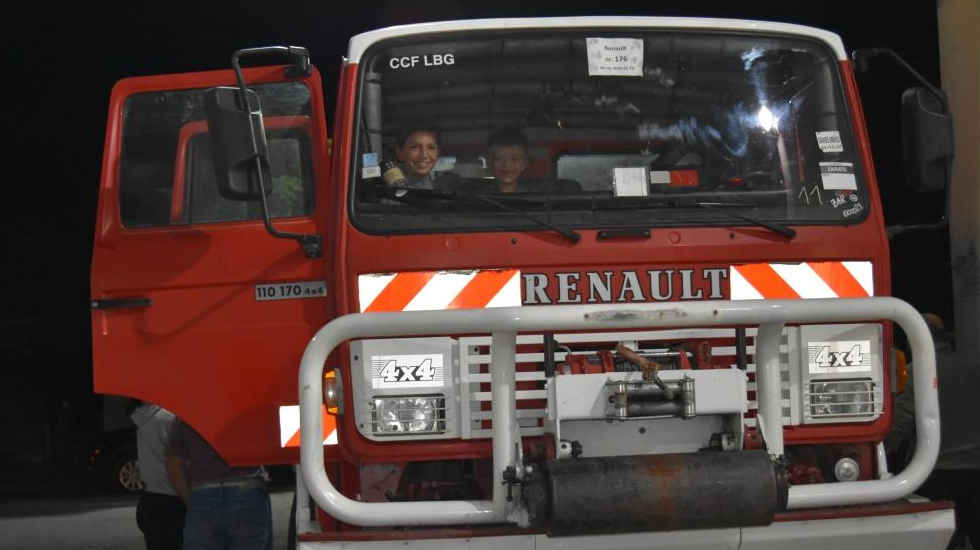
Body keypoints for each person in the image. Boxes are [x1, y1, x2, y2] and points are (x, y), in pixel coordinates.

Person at [167, 417, 272, 550]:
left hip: (202, 496)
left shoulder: (186, 415)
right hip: (248, 490)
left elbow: (174, 465)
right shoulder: (247, 407)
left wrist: (191, 500)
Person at [131, 400, 185, 550]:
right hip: (173, 497)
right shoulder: (171, 419)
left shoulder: (140, 419)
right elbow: (179, 462)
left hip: (149, 498)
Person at [487, 127, 531, 193]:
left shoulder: (538, 196)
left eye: (514, 159)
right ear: (489, 162)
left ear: (524, 163)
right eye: (499, 158)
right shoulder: (475, 197)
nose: (507, 165)